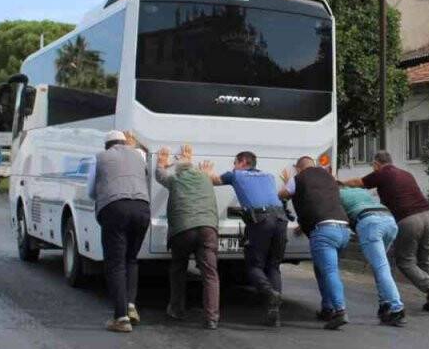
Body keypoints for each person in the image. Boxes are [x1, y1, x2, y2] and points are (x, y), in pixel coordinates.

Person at [340, 150, 429, 312]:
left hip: (408, 219)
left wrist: (340, 183)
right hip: (428, 215)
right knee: (426, 259)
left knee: (405, 261)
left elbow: (358, 182)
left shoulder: (382, 173)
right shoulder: (406, 173)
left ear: (376, 164)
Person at [202, 151, 287, 326]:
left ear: (242, 162)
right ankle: (274, 314)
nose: (233, 166)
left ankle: (270, 293)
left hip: (261, 220)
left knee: (254, 266)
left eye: (234, 162)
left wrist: (206, 171)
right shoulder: (269, 176)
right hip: (281, 220)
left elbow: (212, 180)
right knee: (274, 266)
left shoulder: (235, 174)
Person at [85, 130, 152, 333]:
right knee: (131, 259)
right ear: (124, 142)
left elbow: (90, 191)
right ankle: (130, 305)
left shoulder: (99, 158)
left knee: (116, 263)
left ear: (107, 146)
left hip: (115, 209)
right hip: (142, 208)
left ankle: (121, 318)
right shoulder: (139, 155)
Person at [154, 144, 221, 330]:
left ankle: (176, 308)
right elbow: (212, 176)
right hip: (208, 229)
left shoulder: (175, 179)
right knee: (210, 273)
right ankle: (212, 317)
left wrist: (162, 163)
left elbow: (159, 175)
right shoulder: (206, 178)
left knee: (178, 268)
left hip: (183, 230)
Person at [281, 156, 352, 330]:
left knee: (329, 271)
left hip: (324, 231)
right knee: (321, 269)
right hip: (344, 230)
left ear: (298, 168)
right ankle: (327, 308)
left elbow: (281, 195)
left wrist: (287, 182)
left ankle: (340, 310)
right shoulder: (329, 176)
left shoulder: (298, 178)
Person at [339, 186, 405, 326]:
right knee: (381, 266)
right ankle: (385, 304)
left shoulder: (336, 194)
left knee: (381, 267)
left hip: (369, 223)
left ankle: (396, 308)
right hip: (389, 221)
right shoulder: (360, 191)